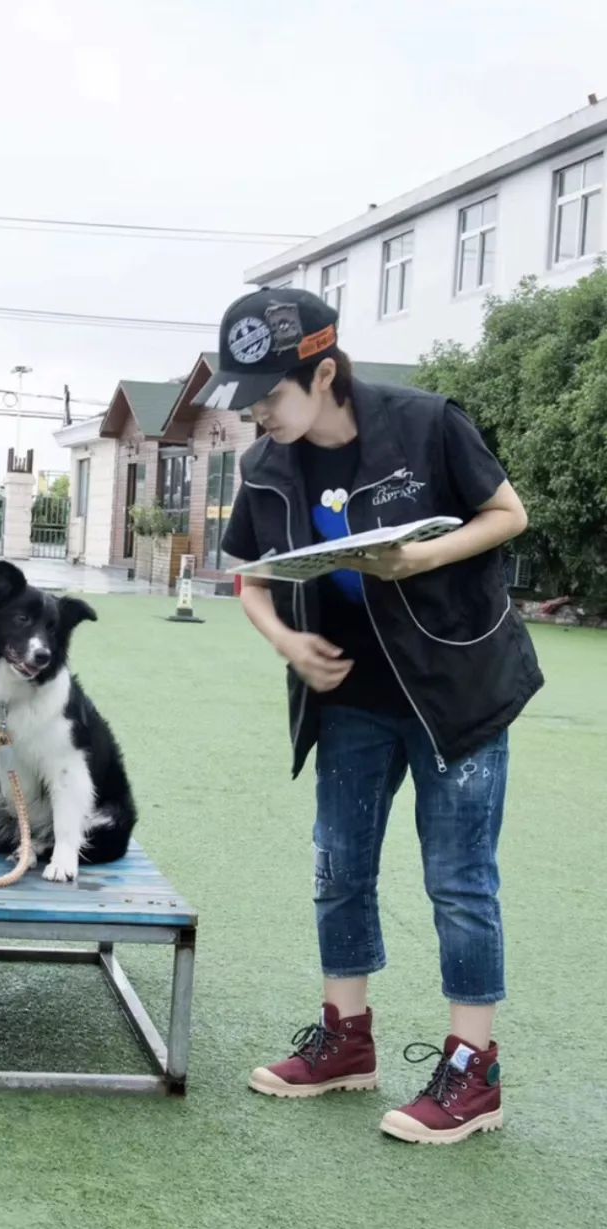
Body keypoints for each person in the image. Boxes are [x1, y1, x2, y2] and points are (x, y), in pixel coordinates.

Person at [194, 287, 543, 1145]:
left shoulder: (426, 424)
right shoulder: (266, 467)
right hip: (349, 693)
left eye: (270, 395)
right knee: (339, 866)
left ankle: (474, 1068)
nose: (256, 415)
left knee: (459, 879)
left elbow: (510, 514)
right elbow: (254, 579)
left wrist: (421, 554)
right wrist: (287, 642)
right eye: (245, 399)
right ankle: (347, 1039)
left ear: (325, 370)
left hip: (454, 691)